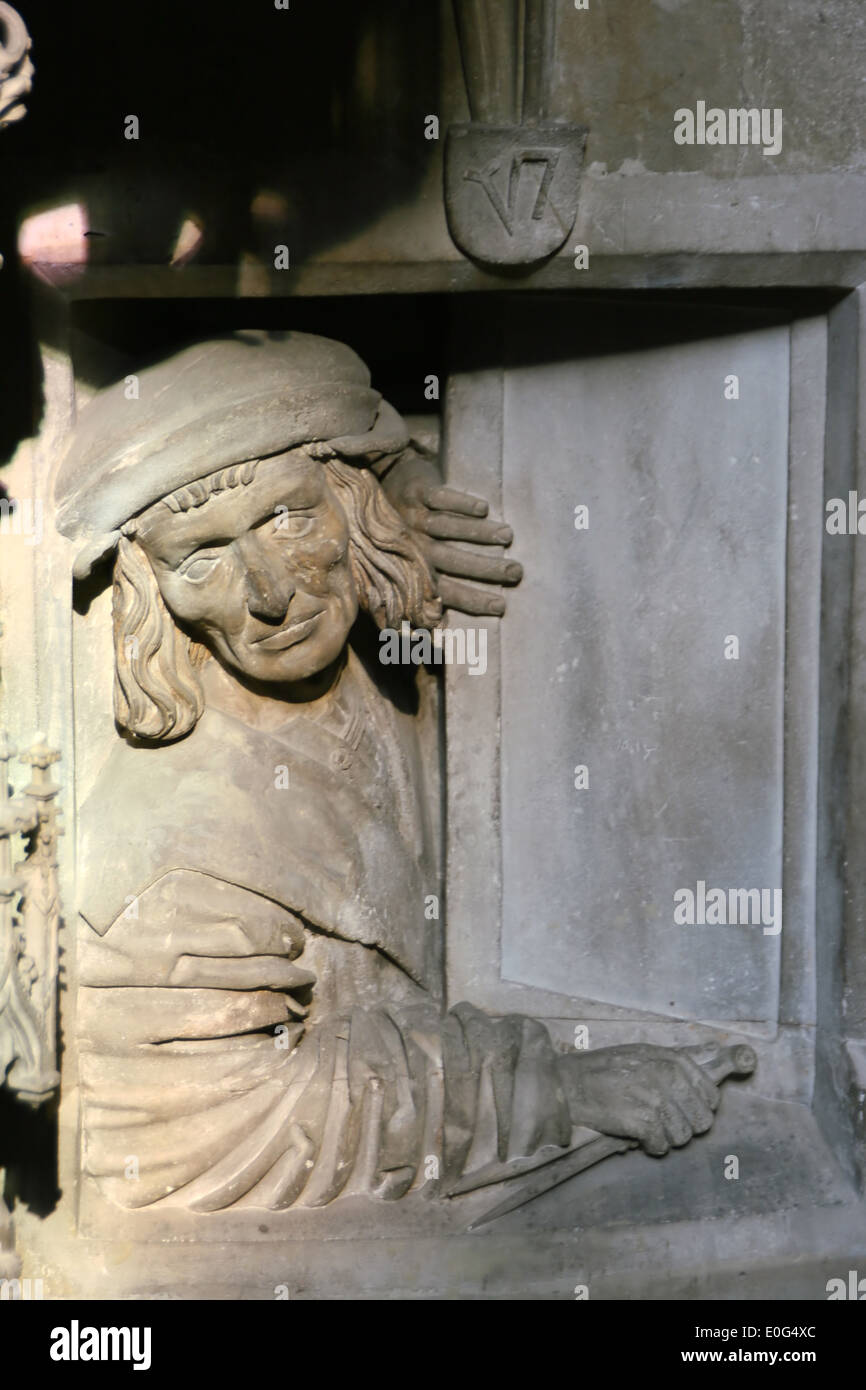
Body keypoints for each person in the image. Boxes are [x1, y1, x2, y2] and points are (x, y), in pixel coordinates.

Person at [55, 330, 720, 1212]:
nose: (270, 593)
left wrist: (413, 481)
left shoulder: (387, 663)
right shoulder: (165, 854)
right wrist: (553, 1093)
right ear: (147, 586)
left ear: (351, 502)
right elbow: (191, 1132)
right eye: (203, 558)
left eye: (290, 518)